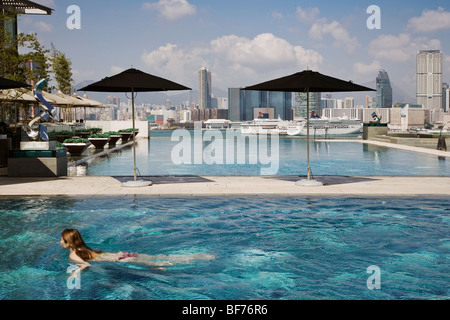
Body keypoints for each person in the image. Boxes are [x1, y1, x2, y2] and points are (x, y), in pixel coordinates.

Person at [61, 229, 214, 273]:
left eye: (62, 240)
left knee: (164, 264)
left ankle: (198, 259)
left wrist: (74, 273)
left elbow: (86, 265)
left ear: (68, 243)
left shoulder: (74, 254)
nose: (60, 242)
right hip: (126, 254)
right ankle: (198, 256)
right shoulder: (86, 248)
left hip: (123, 259)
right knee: (160, 258)